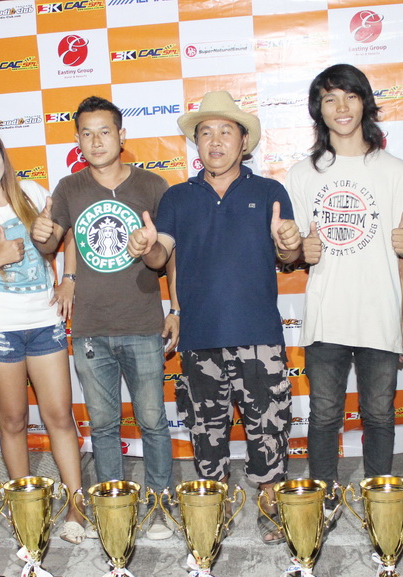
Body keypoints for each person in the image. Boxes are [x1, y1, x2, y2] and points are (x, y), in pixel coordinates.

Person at [128, 91, 302, 544]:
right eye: (206, 132)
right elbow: (160, 256)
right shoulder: (178, 197)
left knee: (269, 429)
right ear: (197, 143)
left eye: (226, 131)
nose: (216, 141)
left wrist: (288, 243)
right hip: (200, 339)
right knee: (206, 434)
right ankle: (215, 508)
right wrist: (147, 247)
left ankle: (270, 508)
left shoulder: (270, 193)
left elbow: (289, 254)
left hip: (259, 337)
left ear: (244, 142)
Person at [31, 96, 178, 540]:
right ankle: (114, 509)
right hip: (91, 330)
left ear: (121, 135)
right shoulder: (69, 188)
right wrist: (41, 235)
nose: (96, 141)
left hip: (143, 324)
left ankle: (159, 507)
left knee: (153, 421)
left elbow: (169, 255)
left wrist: (176, 308)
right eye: (87, 133)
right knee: (103, 426)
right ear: (77, 140)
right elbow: (51, 243)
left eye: (105, 132)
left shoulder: (152, 185)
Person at [286, 64, 403, 509]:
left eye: (350, 96)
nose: (341, 107)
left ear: (365, 103)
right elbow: (289, 249)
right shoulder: (303, 174)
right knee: (324, 414)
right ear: (319, 110)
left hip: (378, 312)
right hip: (327, 314)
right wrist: (298, 250)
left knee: (380, 413)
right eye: (330, 98)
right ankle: (324, 497)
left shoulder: (395, 171)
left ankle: (380, 499)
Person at [0, 120, 86, 543]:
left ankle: (76, 508)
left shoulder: (33, 193)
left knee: (59, 416)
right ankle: (27, 508)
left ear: (2, 153)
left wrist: (68, 280)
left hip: (44, 324)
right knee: (13, 421)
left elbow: (69, 235)